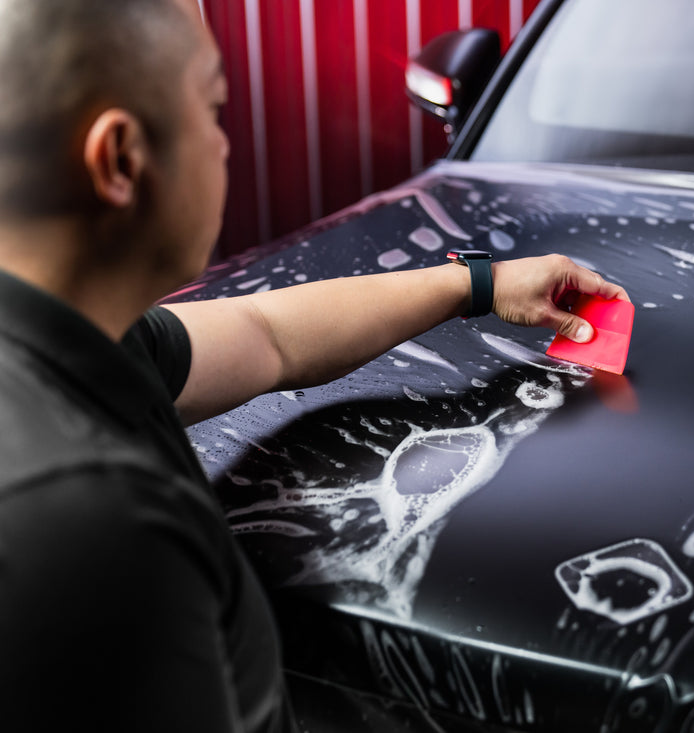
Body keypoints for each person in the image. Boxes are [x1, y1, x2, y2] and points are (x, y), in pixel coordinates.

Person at [0, 0, 628, 730]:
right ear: (120, 159)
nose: (223, 144)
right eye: (212, 109)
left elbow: (266, 333)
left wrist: (480, 284)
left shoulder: (77, 344)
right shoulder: (94, 518)